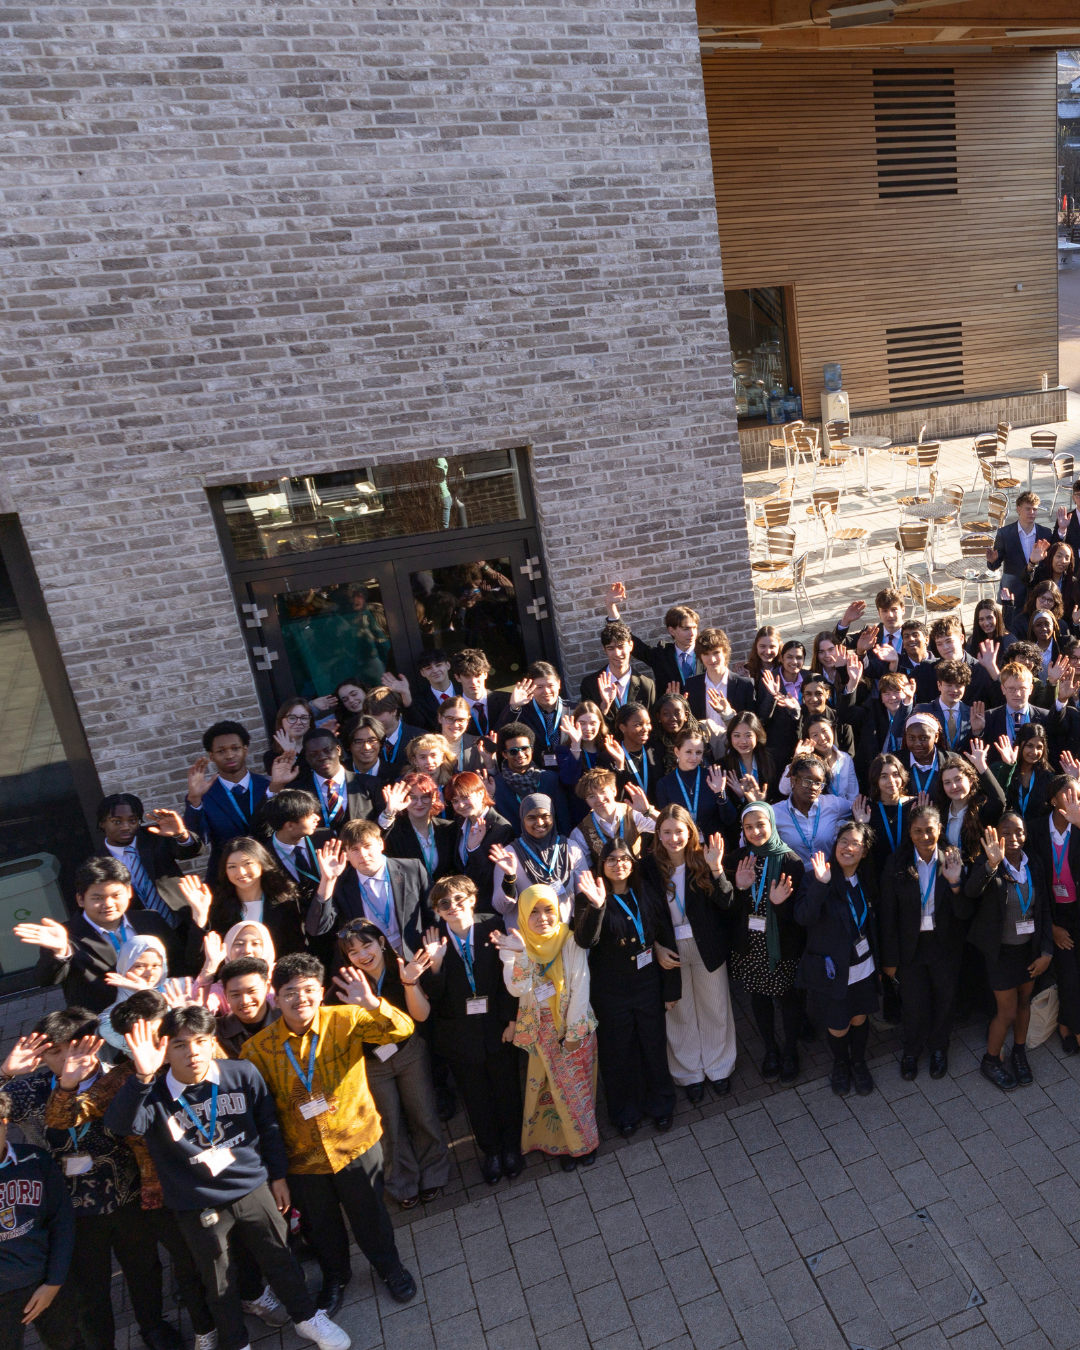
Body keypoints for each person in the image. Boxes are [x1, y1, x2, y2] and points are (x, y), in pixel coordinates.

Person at [104, 1004, 351, 1350]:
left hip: (252, 1187)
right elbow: (118, 1125)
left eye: (201, 1041)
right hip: (196, 1202)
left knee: (280, 1257)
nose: (193, 1053)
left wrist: (277, 1175)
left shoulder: (241, 1073)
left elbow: (268, 1125)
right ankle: (236, 1342)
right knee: (218, 1280)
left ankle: (307, 1319)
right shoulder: (152, 1095)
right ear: (163, 1050)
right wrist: (143, 1077)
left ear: (212, 1041)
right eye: (179, 1045)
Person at [239, 952, 417, 1309]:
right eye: (289, 991)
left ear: (321, 992)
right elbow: (259, 1113)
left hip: (356, 1143)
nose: (299, 998)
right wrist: (275, 1172)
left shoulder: (346, 1020)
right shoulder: (256, 1049)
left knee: (371, 1215)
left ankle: (389, 1267)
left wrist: (372, 1003)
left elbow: (402, 1029)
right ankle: (336, 1277)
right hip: (303, 1159)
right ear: (275, 997)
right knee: (322, 1228)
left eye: (307, 989)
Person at [44, 997, 222, 1350]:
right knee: (185, 1261)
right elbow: (61, 1119)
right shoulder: (120, 1081)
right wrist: (67, 1084)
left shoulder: (195, 1058)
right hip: (161, 1191)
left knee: (227, 1251)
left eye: (157, 1033)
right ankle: (204, 1326)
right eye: (137, 1037)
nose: (150, 1044)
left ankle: (249, 1297)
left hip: (215, 1174)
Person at [332, 921, 448, 1211]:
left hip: (410, 1053)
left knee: (423, 1113)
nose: (363, 954)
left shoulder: (404, 968)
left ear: (381, 942)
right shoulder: (346, 982)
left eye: (367, 944)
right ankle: (402, 1183)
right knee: (389, 1125)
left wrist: (409, 982)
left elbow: (421, 1016)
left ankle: (434, 1172)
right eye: (353, 951)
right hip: (372, 1065)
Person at [418, 876, 522, 1183]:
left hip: (497, 1026)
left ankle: (512, 1149)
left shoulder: (493, 924)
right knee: (475, 1097)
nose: (453, 907)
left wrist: (511, 1020)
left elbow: (508, 978)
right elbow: (434, 997)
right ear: (437, 910)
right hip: (458, 1036)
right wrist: (435, 965)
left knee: (506, 1090)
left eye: (459, 899)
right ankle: (490, 1152)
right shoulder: (431, 939)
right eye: (444, 903)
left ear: (473, 899)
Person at [574, 840, 678, 1136]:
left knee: (653, 1047)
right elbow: (585, 941)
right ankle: (624, 1112)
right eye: (611, 860)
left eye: (624, 859)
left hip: (647, 984)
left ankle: (661, 1104)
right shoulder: (590, 897)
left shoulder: (644, 891)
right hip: (611, 991)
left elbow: (661, 935)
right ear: (601, 865)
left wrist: (670, 990)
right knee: (618, 1053)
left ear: (633, 864)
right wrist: (596, 906)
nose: (618, 864)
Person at [492, 884, 599, 1170]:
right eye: (534, 912)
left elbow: (581, 986)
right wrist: (518, 955)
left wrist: (574, 1034)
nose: (542, 918)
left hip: (571, 1025)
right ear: (523, 916)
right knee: (549, 1089)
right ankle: (563, 1143)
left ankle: (584, 1144)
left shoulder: (570, 940)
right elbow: (518, 989)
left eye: (549, 910)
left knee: (576, 1087)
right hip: (540, 1028)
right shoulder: (517, 944)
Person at [644, 805, 735, 1102]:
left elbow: (727, 902)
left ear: (690, 832)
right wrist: (655, 947)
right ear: (658, 833)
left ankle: (719, 1067)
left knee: (715, 1006)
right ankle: (688, 1072)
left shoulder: (703, 858)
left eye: (679, 831)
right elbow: (643, 914)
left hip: (706, 944)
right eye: (667, 832)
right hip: (669, 949)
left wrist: (717, 867)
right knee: (679, 1011)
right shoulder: (648, 867)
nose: (673, 838)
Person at [16, 857, 187, 1015]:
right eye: (97, 898)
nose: (108, 904)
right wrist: (61, 952)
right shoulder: (64, 935)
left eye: (116, 895)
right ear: (81, 899)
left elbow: (179, 965)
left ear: (128, 892)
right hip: (102, 1025)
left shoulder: (150, 920)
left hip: (160, 1014)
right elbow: (45, 979)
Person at [879, 805, 969, 1080]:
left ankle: (940, 1049)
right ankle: (912, 1050)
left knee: (944, 1000)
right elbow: (887, 916)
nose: (925, 836)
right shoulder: (896, 864)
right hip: (910, 948)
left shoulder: (953, 860)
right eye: (918, 831)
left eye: (930, 829)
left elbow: (965, 912)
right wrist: (890, 960)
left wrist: (955, 885)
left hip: (944, 946)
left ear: (940, 829)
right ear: (910, 833)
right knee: (914, 1003)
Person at [966, 817, 1053, 1090]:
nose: (1014, 837)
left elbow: (1045, 910)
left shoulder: (1034, 864)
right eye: (1007, 832)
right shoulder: (988, 863)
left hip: (1029, 951)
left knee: (1025, 1002)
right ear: (997, 836)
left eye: (1019, 831)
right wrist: (991, 864)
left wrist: (1046, 951)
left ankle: (1018, 1053)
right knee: (1007, 1010)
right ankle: (991, 1060)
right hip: (1001, 953)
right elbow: (970, 891)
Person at [796, 822, 880, 1097]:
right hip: (832, 970)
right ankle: (840, 1064)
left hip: (863, 966)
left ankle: (858, 1062)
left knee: (858, 1018)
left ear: (864, 851)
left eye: (855, 843)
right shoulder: (816, 877)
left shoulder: (866, 880)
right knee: (838, 1023)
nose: (848, 847)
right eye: (843, 841)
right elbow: (803, 917)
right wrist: (820, 885)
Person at [729, 803, 806, 1085]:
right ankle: (770, 1050)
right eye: (748, 827)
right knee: (758, 997)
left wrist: (778, 906)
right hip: (749, 943)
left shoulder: (790, 862)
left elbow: (799, 916)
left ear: (772, 824)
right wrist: (737, 887)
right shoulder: (737, 858)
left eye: (761, 824)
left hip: (780, 944)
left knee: (787, 999)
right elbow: (728, 908)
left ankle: (789, 1051)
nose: (756, 831)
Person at [0, 1088, 76, 1350]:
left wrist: (54, 1282)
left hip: (46, 1281)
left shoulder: (35, 1160)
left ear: (5, 1122)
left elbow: (62, 1221)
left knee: (69, 1342)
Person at [305, 819, 429, 963]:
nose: (363, 855)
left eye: (367, 846)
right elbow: (316, 928)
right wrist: (327, 880)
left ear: (381, 844)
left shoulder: (412, 869)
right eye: (354, 849)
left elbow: (432, 913)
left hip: (413, 954)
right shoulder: (339, 882)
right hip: (367, 960)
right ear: (346, 855)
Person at [184, 722, 283, 877]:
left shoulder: (270, 785)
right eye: (221, 751)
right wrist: (195, 800)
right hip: (228, 877)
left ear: (245, 750)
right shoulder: (203, 795)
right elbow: (198, 842)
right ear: (211, 756)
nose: (229, 755)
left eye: (235, 748)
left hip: (274, 869)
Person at [1027, 777, 1080, 1053]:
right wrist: (1052, 927)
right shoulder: (1035, 831)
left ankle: (1066, 1023)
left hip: (1077, 910)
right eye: (1069, 794)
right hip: (1053, 913)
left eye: (1079, 795)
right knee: (1068, 975)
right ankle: (1072, 1029)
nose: (1075, 799)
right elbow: (1034, 883)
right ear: (1053, 801)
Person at [95, 794, 202, 928]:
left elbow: (192, 851)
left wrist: (180, 835)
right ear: (102, 823)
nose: (126, 827)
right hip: (142, 932)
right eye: (117, 821)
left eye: (133, 821)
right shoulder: (98, 862)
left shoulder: (155, 836)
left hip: (184, 919)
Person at [195, 835, 307, 958]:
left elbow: (297, 948)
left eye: (247, 863)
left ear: (262, 863)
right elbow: (195, 959)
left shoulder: (285, 901)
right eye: (232, 867)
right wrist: (199, 917)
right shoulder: (217, 906)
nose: (241, 872)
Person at [491, 793, 589, 919]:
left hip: (564, 934)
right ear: (522, 820)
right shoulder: (510, 854)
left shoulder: (571, 848)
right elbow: (501, 908)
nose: (539, 822)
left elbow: (584, 895)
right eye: (531, 818)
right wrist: (509, 878)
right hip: (526, 936)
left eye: (545, 816)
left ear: (553, 817)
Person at [605, 583, 703, 691]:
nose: (692, 633)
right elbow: (628, 639)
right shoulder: (661, 655)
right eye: (686, 629)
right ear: (672, 630)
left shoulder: (706, 652)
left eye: (695, 628)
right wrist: (610, 606)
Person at [772, 755, 854, 866]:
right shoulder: (775, 813)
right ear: (793, 779)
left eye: (818, 783)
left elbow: (859, 806)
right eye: (807, 781)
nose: (814, 787)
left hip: (827, 877)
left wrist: (861, 818)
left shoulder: (833, 805)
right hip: (793, 879)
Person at [445, 771, 515, 901]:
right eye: (455, 801)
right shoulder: (460, 823)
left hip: (488, 904)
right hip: (464, 901)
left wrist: (473, 849)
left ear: (481, 794)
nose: (460, 805)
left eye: (465, 797)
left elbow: (490, 876)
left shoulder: (501, 828)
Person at [568, 767, 656, 869]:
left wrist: (647, 811)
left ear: (614, 790)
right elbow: (583, 870)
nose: (599, 799)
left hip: (637, 877)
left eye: (603, 791)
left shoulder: (632, 813)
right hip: (605, 883)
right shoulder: (580, 833)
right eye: (592, 796)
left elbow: (670, 826)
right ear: (587, 802)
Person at [379, 771, 458, 880]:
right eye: (413, 798)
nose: (419, 803)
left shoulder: (449, 828)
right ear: (403, 798)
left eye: (425, 797)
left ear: (434, 797)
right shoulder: (394, 833)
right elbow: (374, 838)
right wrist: (389, 812)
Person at [96, 935, 170, 1051]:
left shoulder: (176, 990)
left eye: (156, 965)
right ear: (124, 965)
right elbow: (147, 1045)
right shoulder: (108, 1019)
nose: (149, 973)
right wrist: (146, 995)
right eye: (139, 966)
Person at [490, 722, 567, 833]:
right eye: (513, 751)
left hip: (552, 844)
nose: (520, 754)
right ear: (504, 754)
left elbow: (563, 819)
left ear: (532, 749)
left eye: (525, 749)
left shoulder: (550, 779)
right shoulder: (496, 785)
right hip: (513, 847)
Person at [935, 744, 1007, 859]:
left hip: (977, 872)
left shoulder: (982, 810)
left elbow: (1000, 800)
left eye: (958, 780)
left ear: (971, 780)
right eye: (947, 782)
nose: (953, 786)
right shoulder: (939, 812)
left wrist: (981, 766)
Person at [294, 728, 378, 826]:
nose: (322, 757)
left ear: (338, 750)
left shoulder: (370, 784)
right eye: (313, 754)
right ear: (307, 758)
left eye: (327, 751)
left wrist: (388, 814)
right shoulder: (298, 790)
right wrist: (276, 785)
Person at [655, 728, 727, 839]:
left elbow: (729, 819)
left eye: (698, 752)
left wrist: (720, 793)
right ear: (677, 752)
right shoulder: (664, 784)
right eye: (688, 752)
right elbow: (664, 824)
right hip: (681, 846)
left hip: (714, 845)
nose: (694, 757)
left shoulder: (713, 777)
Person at [986, 490, 1055, 608]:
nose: (1032, 513)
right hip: (1013, 590)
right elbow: (996, 565)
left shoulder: (1045, 533)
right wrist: (992, 561)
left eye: (1035, 509)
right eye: (1028, 509)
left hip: (1037, 591)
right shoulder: (1005, 534)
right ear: (1018, 509)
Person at [579, 621, 657, 721]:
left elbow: (652, 725)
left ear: (630, 646)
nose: (617, 653)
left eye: (621, 647)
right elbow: (588, 726)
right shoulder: (590, 685)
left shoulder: (647, 685)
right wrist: (604, 706)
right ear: (604, 649)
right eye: (611, 648)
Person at [260, 789, 332, 894]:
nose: (317, 818)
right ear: (290, 825)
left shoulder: (326, 839)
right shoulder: (264, 857)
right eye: (309, 815)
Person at [498, 662, 567, 768]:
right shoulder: (522, 713)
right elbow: (498, 737)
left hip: (570, 773)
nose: (546, 691)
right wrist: (513, 707)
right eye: (539, 687)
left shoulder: (574, 710)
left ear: (559, 684)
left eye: (550, 685)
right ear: (531, 688)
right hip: (536, 775)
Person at [685, 628, 757, 723]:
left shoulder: (745, 684)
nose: (712, 659)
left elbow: (751, 723)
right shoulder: (692, 685)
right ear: (700, 657)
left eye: (716, 653)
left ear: (725, 652)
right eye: (706, 654)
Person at [215, 956, 281, 1058]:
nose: (245, 1001)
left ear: (267, 987)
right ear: (226, 995)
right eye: (236, 995)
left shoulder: (288, 1020)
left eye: (251, 991)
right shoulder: (216, 1031)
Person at [993, 723, 1057, 821]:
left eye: (1039, 747)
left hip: (1036, 834)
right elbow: (995, 800)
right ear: (1019, 744)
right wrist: (1008, 767)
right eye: (1029, 746)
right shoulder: (999, 768)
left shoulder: (1048, 777)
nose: (1034, 752)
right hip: (1007, 832)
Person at [449, 648, 513, 738]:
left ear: (486, 674)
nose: (473, 682)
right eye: (467, 676)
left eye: (477, 675)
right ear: (457, 678)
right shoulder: (450, 709)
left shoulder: (508, 701)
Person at [607, 702, 661, 805]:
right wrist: (619, 765)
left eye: (648, 723)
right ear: (623, 727)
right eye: (638, 725)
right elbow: (614, 796)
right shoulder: (609, 757)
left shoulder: (655, 750)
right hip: (628, 817)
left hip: (655, 815)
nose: (645, 729)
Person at [434, 696, 487, 774]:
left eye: (461, 720)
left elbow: (490, 778)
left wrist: (490, 764)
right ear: (440, 718)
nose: (455, 725)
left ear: (468, 720)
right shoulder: (426, 745)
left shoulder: (479, 744)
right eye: (450, 718)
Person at [411, 648, 460, 730]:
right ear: (422, 673)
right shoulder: (420, 701)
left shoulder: (464, 691)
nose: (434, 670)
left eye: (438, 665)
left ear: (448, 665)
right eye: (428, 668)